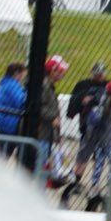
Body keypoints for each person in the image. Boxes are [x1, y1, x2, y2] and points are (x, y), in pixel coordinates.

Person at [68, 62, 108, 182]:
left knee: (98, 155)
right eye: (97, 74)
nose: (100, 77)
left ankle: (94, 183)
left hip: (103, 126)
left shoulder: (107, 86)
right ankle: (76, 179)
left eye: (101, 74)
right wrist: (83, 100)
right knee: (83, 154)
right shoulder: (83, 85)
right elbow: (75, 101)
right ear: (93, 74)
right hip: (87, 124)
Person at [38, 55, 67, 185]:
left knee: (43, 166)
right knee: (41, 167)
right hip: (42, 134)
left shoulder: (49, 86)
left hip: (48, 134)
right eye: (59, 71)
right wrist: (52, 118)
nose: (62, 74)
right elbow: (38, 107)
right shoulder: (45, 86)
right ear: (52, 71)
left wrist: (57, 136)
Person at [0, 62, 27, 160]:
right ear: (17, 73)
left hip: (2, 119)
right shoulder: (13, 85)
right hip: (8, 121)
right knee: (5, 151)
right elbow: (21, 102)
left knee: (4, 150)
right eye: (23, 74)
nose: (23, 77)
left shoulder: (7, 83)